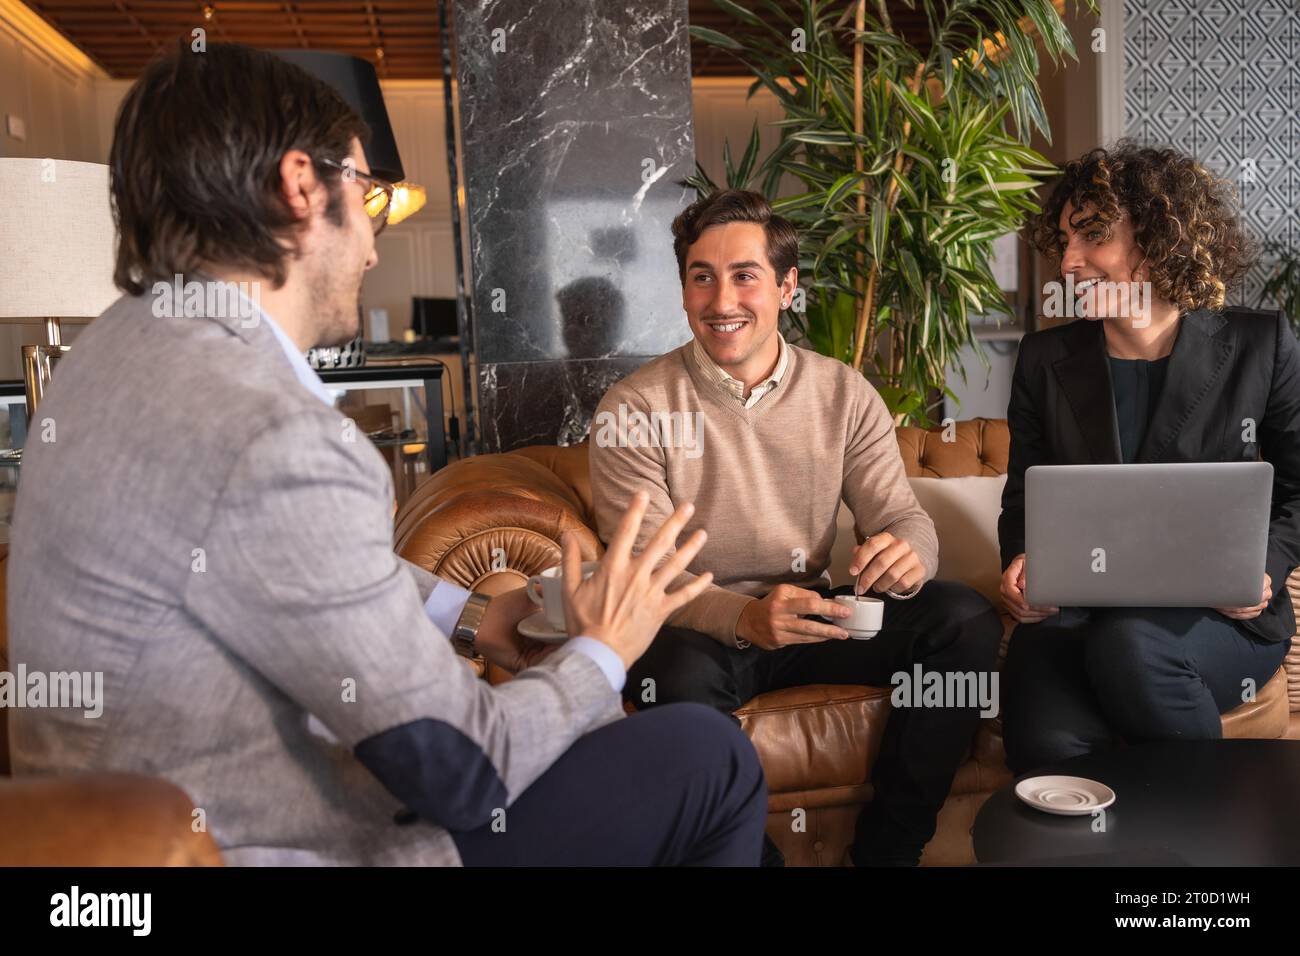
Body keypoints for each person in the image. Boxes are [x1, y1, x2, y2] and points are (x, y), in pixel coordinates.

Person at [7, 41, 768, 867]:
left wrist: (476, 616)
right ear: (301, 186)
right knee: (710, 755)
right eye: (367, 193)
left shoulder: (110, 355)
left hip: (119, 824)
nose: (373, 245)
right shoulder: (273, 429)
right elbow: (465, 771)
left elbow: (280, 555)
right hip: (283, 842)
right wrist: (604, 650)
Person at [588, 189, 1004, 867]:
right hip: (699, 628)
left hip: (815, 611)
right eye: (702, 277)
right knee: (669, 683)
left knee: (962, 620)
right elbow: (647, 576)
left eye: (745, 276)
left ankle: (886, 855)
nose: (721, 301)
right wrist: (747, 618)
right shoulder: (634, 407)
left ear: (787, 287)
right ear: (685, 288)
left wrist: (911, 556)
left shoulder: (842, 391)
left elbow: (902, 517)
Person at [998, 141, 1300, 775]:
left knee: (1131, 647)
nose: (1069, 262)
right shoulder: (1043, 360)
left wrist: (1262, 570)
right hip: (1073, 618)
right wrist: (1023, 564)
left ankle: (1203, 862)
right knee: (1048, 748)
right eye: (1065, 242)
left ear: (1161, 237)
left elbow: (1298, 488)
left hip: (1219, 621)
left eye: (1092, 237)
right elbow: (1023, 500)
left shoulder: (1261, 345)